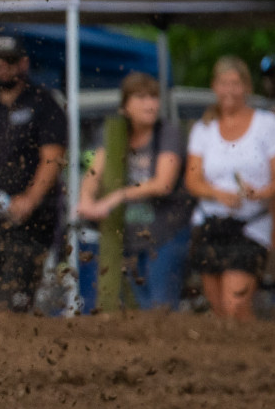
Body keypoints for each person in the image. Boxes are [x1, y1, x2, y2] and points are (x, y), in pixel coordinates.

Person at [183, 55, 275, 323]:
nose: (229, 90)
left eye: (235, 83)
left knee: (235, 305)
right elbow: (192, 180)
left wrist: (260, 193)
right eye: (224, 83)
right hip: (211, 222)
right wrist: (218, 193)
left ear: (246, 87)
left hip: (250, 224)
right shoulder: (204, 128)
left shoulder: (267, 124)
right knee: (219, 309)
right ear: (215, 87)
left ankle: (254, 345)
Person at [73, 72, 191, 312]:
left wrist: (115, 197)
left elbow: (163, 183)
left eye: (154, 97)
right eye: (141, 97)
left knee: (160, 305)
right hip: (129, 235)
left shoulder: (168, 132)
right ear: (125, 106)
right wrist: (86, 200)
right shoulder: (114, 132)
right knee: (137, 305)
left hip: (165, 233)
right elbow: (94, 172)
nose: (150, 104)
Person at [0, 33, 68, 313]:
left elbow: (53, 157)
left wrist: (30, 199)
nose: (3, 66)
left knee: (17, 296)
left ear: (23, 63)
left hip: (33, 219)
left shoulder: (44, 103)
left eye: (10, 60)